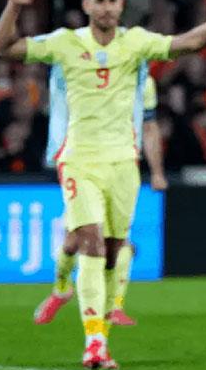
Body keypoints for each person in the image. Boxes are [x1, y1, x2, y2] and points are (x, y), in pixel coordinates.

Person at [0, 0, 206, 370]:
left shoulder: (136, 42)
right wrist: (15, 6)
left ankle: (97, 335)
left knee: (114, 250)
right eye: (99, 0)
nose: (106, 7)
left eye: (112, 0)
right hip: (79, 159)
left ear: (122, 5)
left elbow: (189, 43)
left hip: (123, 162)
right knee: (90, 242)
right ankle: (93, 344)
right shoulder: (65, 43)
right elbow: (3, 47)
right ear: (86, 5)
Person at [33, 74, 167, 327]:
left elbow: (149, 126)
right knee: (74, 241)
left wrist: (157, 172)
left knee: (119, 240)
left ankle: (114, 307)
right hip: (84, 164)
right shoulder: (87, 71)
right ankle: (61, 289)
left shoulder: (143, 81)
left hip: (122, 165)